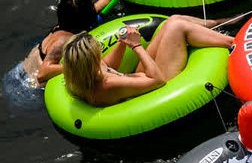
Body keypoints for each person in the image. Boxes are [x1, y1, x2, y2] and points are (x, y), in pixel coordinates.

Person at [60, 15, 233, 106]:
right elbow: (158, 80)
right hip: (156, 87)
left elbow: (107, 65)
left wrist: (122, 42)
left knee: (171, 21)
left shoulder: (82, 75)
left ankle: (214, 23)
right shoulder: (106, 86)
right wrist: (135, 46)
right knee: (177, 27)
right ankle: (234, 43)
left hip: (141, 78)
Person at [21, 0, 139, 86]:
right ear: (87, 15)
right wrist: (82, 67)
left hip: (22, 71)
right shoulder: (63, 40)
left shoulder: (69, 20)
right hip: (29, 85)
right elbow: (42, 74)